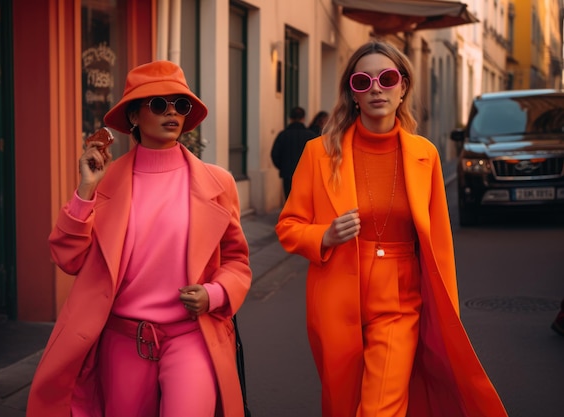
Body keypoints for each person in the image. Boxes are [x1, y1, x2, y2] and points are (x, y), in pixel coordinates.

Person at [275, 40, 508, 417]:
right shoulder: (319, 153)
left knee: (380, 408)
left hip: (400, 301)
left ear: (403, 88)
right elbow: (288, 226)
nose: (376, 88)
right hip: (335, 297)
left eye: (386, 78)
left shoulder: (424, 154)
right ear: (353, 93)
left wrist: (447, 315)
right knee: (342, 405)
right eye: (363, 81)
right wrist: (325, 235)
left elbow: (440, 245)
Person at [26, 61, 252, 417]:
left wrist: (215, 293)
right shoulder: (106, 183)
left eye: (181, 105)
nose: (173, 112)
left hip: (192, 335)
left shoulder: (218, 182)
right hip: (122, 341)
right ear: (134, 116)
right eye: (159, 104)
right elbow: (68, 259)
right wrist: (85, 190)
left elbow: (237, 261)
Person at [270, 106, 318, 199]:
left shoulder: (283, 135)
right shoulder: (311, 136)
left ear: (290, 118)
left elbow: (275, 154)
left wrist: (283, 166)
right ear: (303, 118)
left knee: (289, 200)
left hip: (288, 173)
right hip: (306, 175)